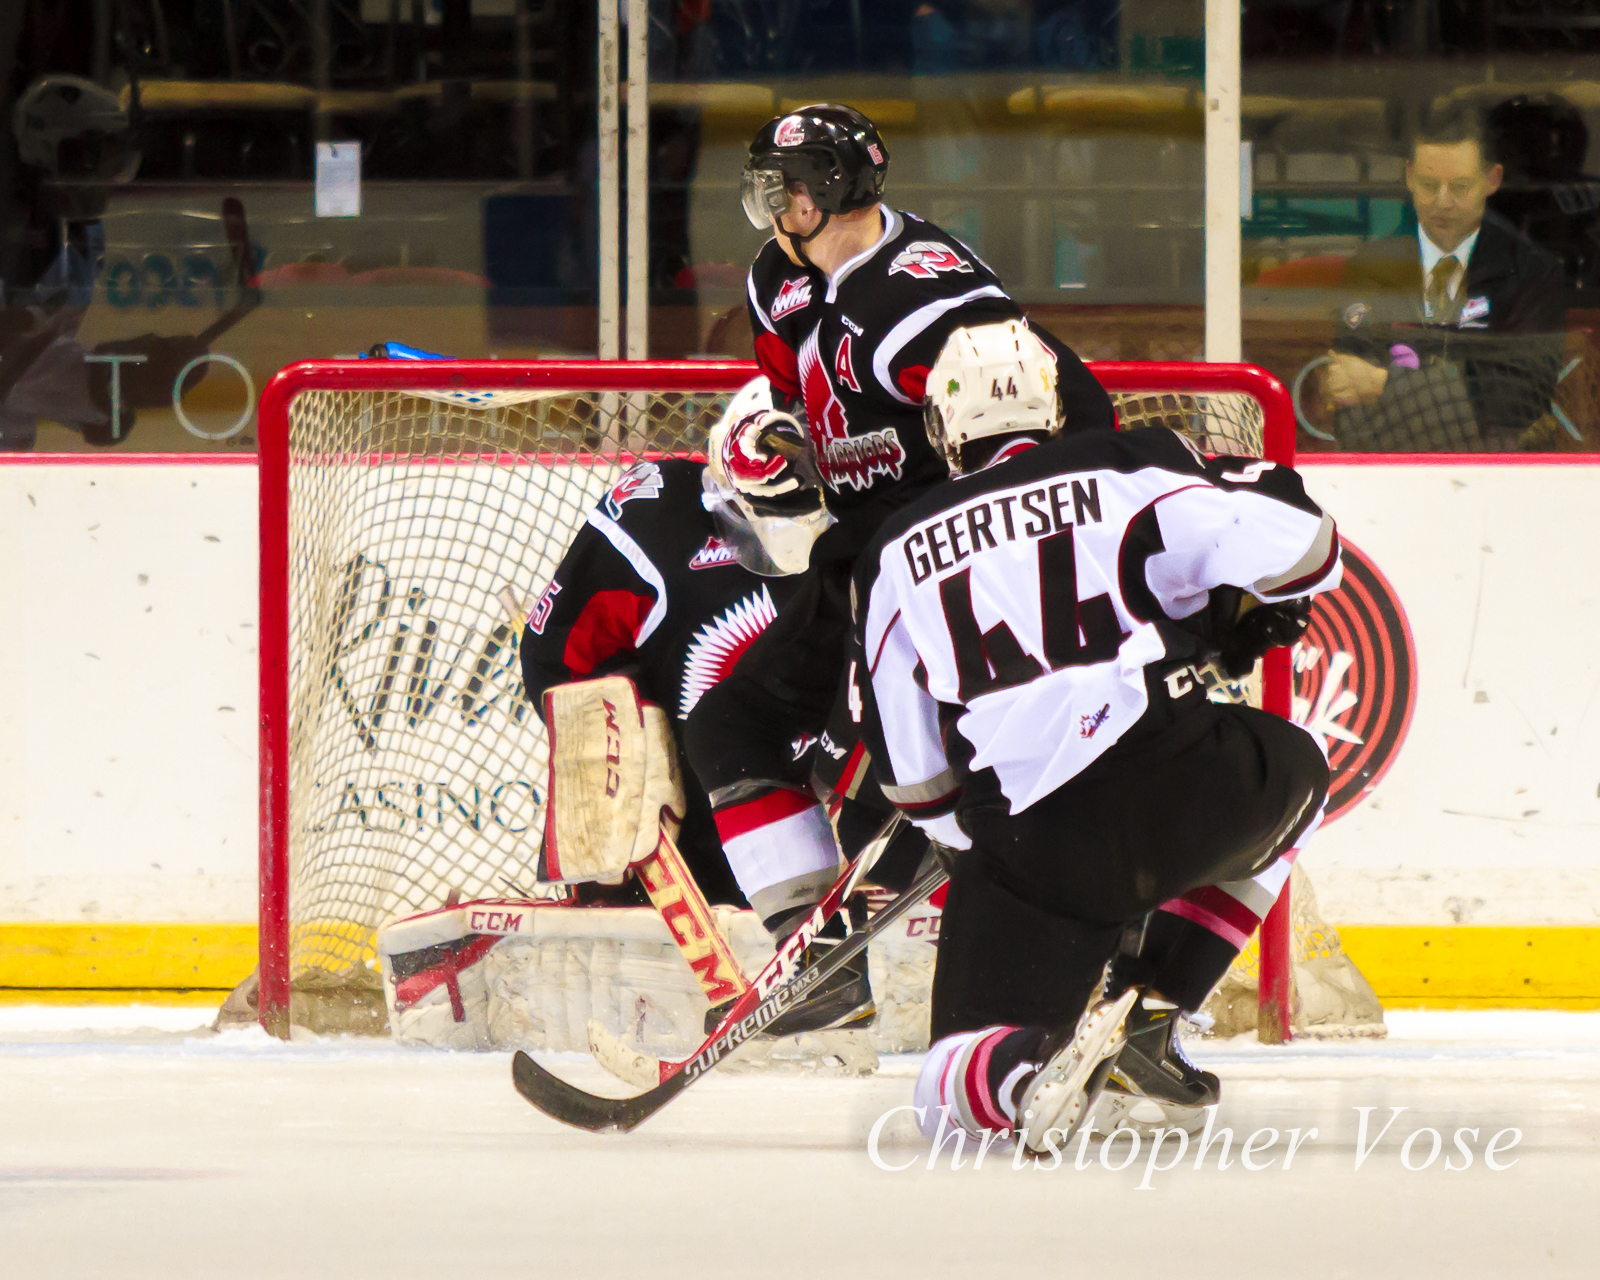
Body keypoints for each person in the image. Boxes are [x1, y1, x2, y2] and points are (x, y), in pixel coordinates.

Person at [851, 320, 1338, 1152]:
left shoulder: (890, 551)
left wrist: (975, 855)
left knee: (947, 1088)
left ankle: (1019, 1062)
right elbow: (1308, 556)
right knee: (1298, 767)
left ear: (943, 429)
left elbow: (914, 776)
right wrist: (1219, 607)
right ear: (1050, 404)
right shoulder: (1133, 463)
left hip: (1035, 842)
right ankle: (1157, 1005)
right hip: (1186, 781)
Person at [682, 103, 1113, 1006]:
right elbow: (793, 388)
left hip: (940, 558)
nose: (768, 205)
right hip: (856, 552)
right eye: (763, 185)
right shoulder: (777, 278)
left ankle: (1098, 969)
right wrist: (778, 433)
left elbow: (1067, 408)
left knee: (926, 772)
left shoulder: (928, 298)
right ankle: (823, 973)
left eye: (785, 188)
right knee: (732, 724)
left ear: (837, 186)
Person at [1322, 106, 1564, 450]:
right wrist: (1461, 389)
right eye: (1429, 184)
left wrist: (1381, 385)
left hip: (1500, 478)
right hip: (1389, 474)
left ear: (1492, 180)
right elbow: (1351, 412)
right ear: (1408, 177)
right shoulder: (1370, 267)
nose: (1442, 201)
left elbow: (1519, 400)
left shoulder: (1531, 273)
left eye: (1460, 186)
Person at [1, 75, 207, 450]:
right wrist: (106, 381)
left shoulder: (84, 234)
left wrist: (100, 407)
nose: (111, 179)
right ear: (59, 156)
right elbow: (11, 357)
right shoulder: (14, 241)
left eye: (119, 158)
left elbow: (34, 362)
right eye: (101, 159)